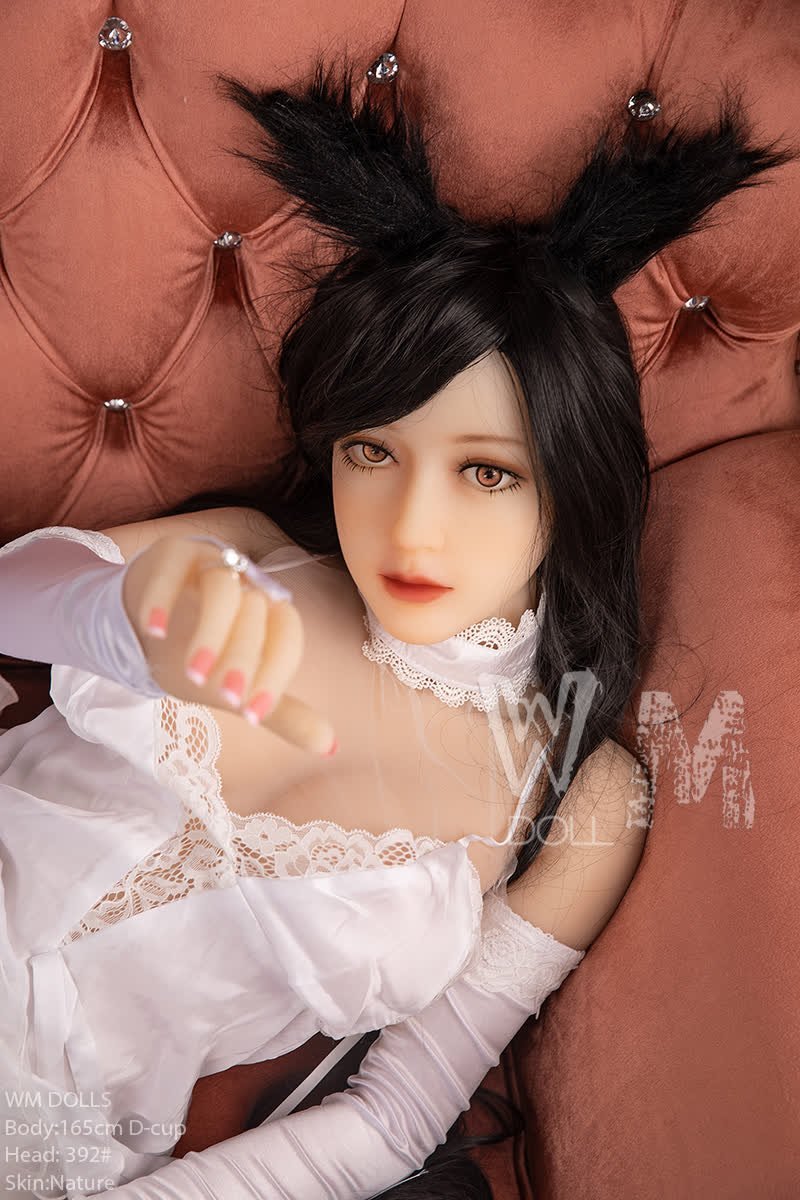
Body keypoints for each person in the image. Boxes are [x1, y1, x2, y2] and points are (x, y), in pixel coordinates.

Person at [0, 60, 792, 1200]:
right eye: (372, 453)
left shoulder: (579, 800)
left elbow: (395, 1115)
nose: (408, 528)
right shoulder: (250, 556)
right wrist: (123, 617)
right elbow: (13, 599)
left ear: (571, 486)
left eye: (485, 472)